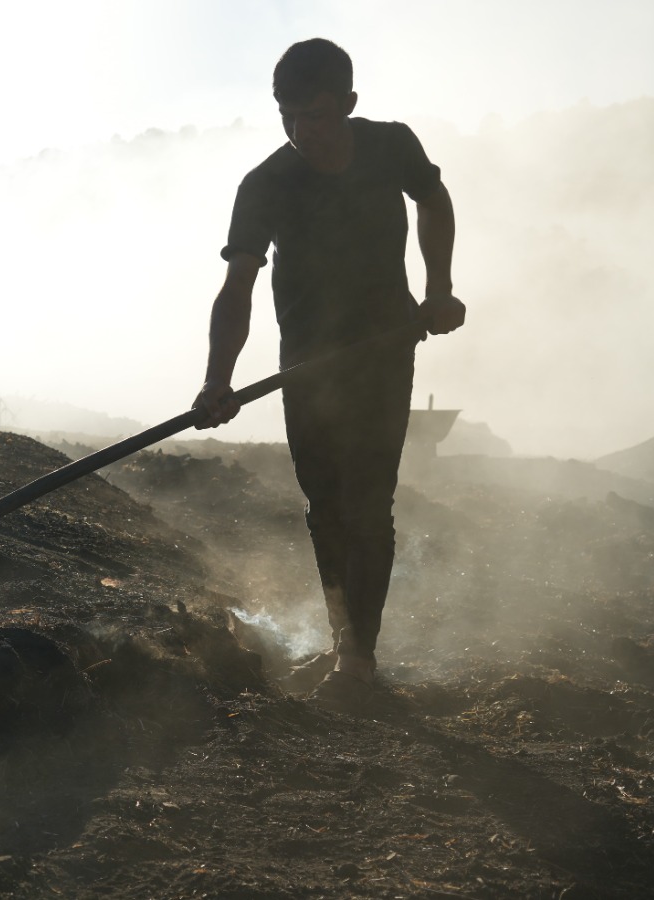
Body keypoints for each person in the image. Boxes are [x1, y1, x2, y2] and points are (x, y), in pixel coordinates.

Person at [192, 38, 466, 711]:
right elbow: (237, 289)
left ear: (347, 104)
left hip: (383, 347)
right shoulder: (265, 185)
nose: (302, 131)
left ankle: (359, 662)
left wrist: (438, 288)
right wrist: (216, 381)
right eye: (290, 115)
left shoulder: (390, 147)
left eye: (316, 115)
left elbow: (435, 201)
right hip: (306, 363)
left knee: (368, 502)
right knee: (325, 508)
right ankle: (350, 643)